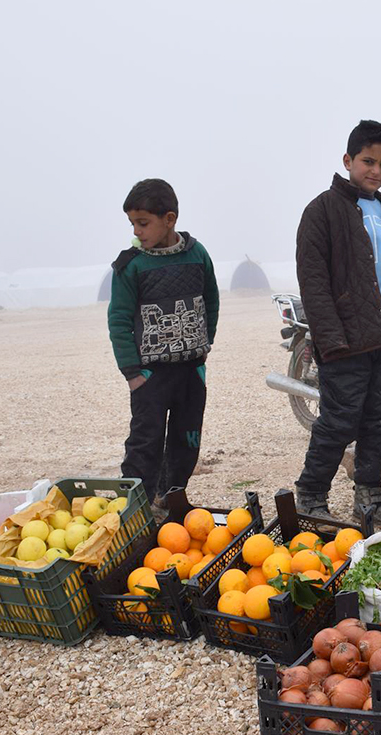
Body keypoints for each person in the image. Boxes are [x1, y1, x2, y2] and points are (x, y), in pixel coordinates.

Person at [294, 120, 381, 522]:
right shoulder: (322, 210)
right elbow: (313, 282)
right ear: (348, 160)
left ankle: (369, 492)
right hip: (347, 340)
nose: (375, 170)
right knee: (338, 420)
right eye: (368, 161)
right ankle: (312, 494)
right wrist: (330, 340)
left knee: (377, 419)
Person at [107, 178, 219, 506]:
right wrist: (133, 373)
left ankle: (171, 498)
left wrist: (204, 343)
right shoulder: (131, 265)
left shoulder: (198, 255)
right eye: (132, 224)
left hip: (191, 371)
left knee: (187, 439)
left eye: (143, 223)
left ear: (169, 219)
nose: (136, 231)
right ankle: (137, 505)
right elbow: (118, 320)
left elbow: (210, 300)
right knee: (145, 441)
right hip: (150, 375)